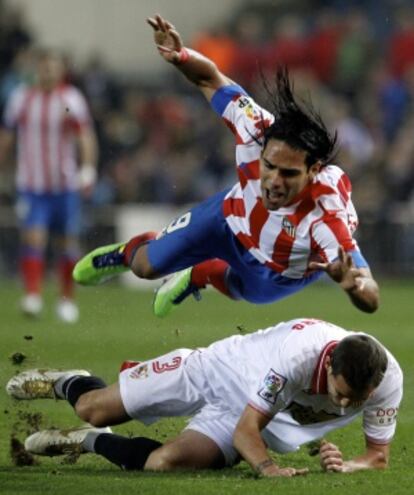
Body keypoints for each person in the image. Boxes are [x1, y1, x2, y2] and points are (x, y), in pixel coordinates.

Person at [73, 14, 379, 318]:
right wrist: (180, 56)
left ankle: (196, 275)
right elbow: (210, 78)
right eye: (269, 166)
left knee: (242, 291)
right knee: (146, 267)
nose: (273, 181)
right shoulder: (255, 127)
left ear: (314, 170)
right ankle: (123, 253)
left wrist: (354, 285)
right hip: (228, 218)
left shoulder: (326, 217)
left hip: (281, 267)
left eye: (289, 174)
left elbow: (369, 290)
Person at [6, 317, 402, 476]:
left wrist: (347, 466)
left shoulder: (386, 380)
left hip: (253, 415)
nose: (343, 406)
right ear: (329, 362)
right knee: (93, 409)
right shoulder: (298, 355)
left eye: (356, 401)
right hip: (214, 371)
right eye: (340, 394)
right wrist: (267, 469)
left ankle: (87, 441)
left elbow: (377, 457)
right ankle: (70, 382)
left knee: (163, 463)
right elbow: (249, 430)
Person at [0, 48, 98, 323]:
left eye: (53, 68)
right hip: (32, 184)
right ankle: (32, 295)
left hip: (64, 184)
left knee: (67, 242)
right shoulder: (21, 99)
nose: (48, 72)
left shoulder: (71, 99)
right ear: (37, 70)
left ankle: (66, 300)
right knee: (34, 237)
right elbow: (6, 135)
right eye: (44, 67)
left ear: (60, 71)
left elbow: (85, 137)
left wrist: (88, 168)